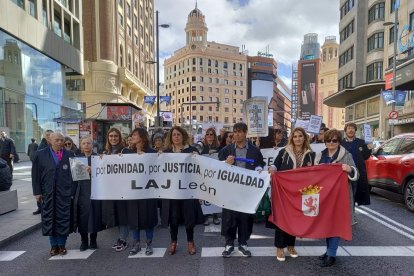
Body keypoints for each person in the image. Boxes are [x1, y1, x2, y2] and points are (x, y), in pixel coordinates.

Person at [219, 122, 265, 258]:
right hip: (230, 190)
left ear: (245, 133)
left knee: (245, 218)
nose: (237, 134)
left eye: (240, 132)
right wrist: (224, 164)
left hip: (247, 190)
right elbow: (216, 166)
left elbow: (260, 164)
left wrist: (258, 169)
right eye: (235, 131)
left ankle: (243, 243)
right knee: (229, 218)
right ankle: (229, 244)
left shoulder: (254, 150)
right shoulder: (226, 150)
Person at [269, 127, 315, 261]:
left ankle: (290, 245)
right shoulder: (284, 152)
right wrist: (272, 168)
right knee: (282, 218)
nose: (297, 139)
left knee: (295, 219)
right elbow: (275, 165)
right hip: (284, 191)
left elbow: (315, 171)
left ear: (304, 138)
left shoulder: (310, 154)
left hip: (301, 193)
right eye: (295, 136)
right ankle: (279, 247)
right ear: (291, 138)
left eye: (300, 136)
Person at [314, 129, 358, 267]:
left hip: (340, 196)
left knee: (336, 224)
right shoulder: (320, 155)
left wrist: (349, 169)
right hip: (325, 196)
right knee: (327, 224)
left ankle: (331, 254)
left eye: (334, 140)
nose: (331, 143)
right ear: (325, 141)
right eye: (328, 140)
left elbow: (357, 174)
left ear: (339, 141)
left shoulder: (346, 155)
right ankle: (328, 251)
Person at [161, 126, 204, 255]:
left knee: (189, 218)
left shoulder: (192, 150)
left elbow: (200, 169)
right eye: (174, 135)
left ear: (183, 136)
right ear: (171, 137)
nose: (176, 137)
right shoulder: (166, 152)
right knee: (173, 218)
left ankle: (190, 242)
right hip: (172, 192)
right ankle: (173, 242)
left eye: (178, 134)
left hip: (188, 191)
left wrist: (198, 157)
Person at [31, 132, 75, 256]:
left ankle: (62, 245)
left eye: (61, 140)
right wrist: (37, 192)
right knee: (49, 219)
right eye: (57, 140)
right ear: (49, 140)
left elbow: (75, 175)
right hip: (47, 193)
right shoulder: (40, 155)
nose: (60, 142)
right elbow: (35, 175)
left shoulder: (70, 154)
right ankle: (53, 246)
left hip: (64, 193)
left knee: (63, 218)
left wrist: (72, 191)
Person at [127, 128, 158, 256]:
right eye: (132, 135)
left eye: (135, 134)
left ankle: (149, 244)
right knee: (134, 218)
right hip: (133, 191)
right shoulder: (127, 152)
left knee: (148, 217)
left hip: (148, 191)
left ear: (142, 137)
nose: (132, 136)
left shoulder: (152, 153)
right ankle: (136, 243)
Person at [100, 128, 129, 252]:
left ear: (120, 137)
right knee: (116, 213)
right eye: (111, 136)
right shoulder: (106, 152)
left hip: (123, 189)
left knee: (123, 215)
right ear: (108, 138)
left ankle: (123, 239)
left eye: (116, 136)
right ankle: (120, 237)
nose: (113, 138)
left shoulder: (126, 151)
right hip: (111, 190)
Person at [74, 136, 104, 251]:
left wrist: (94, 171)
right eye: (84, 143)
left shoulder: (98, 158)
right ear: (81, 145)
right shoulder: (76, 159)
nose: (86, 145)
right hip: (81, 191)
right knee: (83, 217)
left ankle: (93, 240)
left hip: (95, 190)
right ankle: (83, 241)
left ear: (92, 145)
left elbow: (104, 174)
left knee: (94, 216)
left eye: (88, 143)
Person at [341, 123, 372, 219]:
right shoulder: (341, 143)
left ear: (355, 131)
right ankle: (344, 213)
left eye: (352, 128)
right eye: (349, 128)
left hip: (356, 173)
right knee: (344, 194)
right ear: (345, 131)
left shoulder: (361, 142)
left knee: (354, 193)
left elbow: (366, 157)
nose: (350, 130)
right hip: (344, 172)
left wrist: (370, 149)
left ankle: (351, 213)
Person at [200, 128, 221, 226]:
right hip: (204, 175)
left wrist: (216, 153)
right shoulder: (201, 146)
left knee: (215, 195)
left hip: (215, 175)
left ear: (214, 136)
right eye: (207, 134)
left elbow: (222, 158)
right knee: (205, 196)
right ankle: (206, 217)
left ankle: (215, 215)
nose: (209, 136)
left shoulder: (219, 147)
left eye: (211, 134)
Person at [33, 129, 54, 215]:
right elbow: (35, 173)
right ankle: (40, 207)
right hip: (44, 178)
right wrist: (36, 192)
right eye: (47, 135)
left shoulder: (59, 146)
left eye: (50, 134)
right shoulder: (41, 146)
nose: (48, 136)